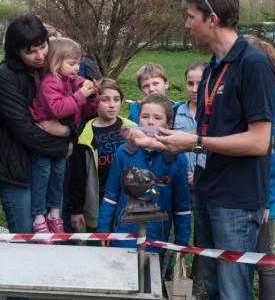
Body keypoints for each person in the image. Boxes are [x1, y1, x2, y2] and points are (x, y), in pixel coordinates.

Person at [122, 0, 275, 300]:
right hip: (206, 192)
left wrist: (195, 140)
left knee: (234, 290)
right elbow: (202, 139)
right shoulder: (212, 70)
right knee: (212, 283)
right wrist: (153, 141)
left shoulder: (254, 64)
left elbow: (259, 142)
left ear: (213, 19)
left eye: (190, 16)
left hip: (236, 199)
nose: (186, 24)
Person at [0, 14, 71, 235]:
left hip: (48, 166)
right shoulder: (5, 77)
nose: (39, 55)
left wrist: (69, 131)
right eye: (30, 52)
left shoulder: (52, 69)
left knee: (52, 232)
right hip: (17, 169)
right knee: (25, 233)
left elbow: (72, 111)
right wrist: (63, 147)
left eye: (42, 47)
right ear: (16, 51)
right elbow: (24, 130)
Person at [98, 94, 191, 254]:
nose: (150, 122)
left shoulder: (177, 158)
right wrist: (104, 230)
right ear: (138, 119)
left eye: (157, 117)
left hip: (157, 242)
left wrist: (182, 242)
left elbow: (182, 205)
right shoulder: (124, 152)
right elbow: (111, 195)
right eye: (145, 116)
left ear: (169, 124)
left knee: (152, 279)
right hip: (123, 239)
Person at [29, 37, 99, 234]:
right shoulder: (49, 83)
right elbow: (58, 109)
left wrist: (92, 95)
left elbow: (88, 110)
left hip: (62, 139)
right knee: (43, 175)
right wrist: (81, 96)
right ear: (56, 62)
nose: (77, 68)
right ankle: (38, 216)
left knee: (59, 176)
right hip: (45, 138)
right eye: (72, 63)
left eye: (78, 62)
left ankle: (54, 212)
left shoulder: (71, 80)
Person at [246, 35, 275, 300]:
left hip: (263, 200)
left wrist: (268, 201)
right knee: (247, 257)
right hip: (246, 193)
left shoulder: (273, 103)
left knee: (265, 261)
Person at [68, 78, 135, 234]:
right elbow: (77, 176)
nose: (112, 104)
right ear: (94, 101)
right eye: (105, 100)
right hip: (98, 204)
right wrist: (77, 209)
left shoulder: (132, 128)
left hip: (128, 201)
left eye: (116, 99)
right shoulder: (85, 135)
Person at [171, 61, 207, 298]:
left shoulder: (214, 114)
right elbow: (173, 146)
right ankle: (174, 277)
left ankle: (199, 284)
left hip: (205, 186)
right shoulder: (176, 112)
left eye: (200, 83)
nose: (194, 88)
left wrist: (202, 174)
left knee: (203, 236)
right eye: (190, 83)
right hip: (180, 185)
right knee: (177, 233)